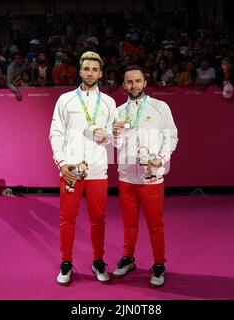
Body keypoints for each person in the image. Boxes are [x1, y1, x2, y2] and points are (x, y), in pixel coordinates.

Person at [49, 51, 116, 285]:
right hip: (71, 171)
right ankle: (66, 262)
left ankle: (98, 261)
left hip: (97, 171)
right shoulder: (65, 100)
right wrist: (62, 163)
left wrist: (108, 136)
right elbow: (55, 133)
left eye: (94, 70)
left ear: (100, 73)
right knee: (68, 218)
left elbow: (114, 138)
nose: (90, 73)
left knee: (98, 218)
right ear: (80, 70)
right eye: (86, 69)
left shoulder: (109, 102)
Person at [112, 65, 178, 287]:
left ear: (145, 82)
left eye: (137, 81)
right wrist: (115, 134)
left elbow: (172, 137)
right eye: (129, 82)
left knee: (155, 224)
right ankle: (129, 258)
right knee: (129, 223)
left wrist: (161, 157)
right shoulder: (118, 112)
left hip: (151, 177)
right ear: (124, 85)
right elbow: (114, 144)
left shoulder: (160, 107)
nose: (134, 85)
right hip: (126, 177)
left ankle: (159, 264)